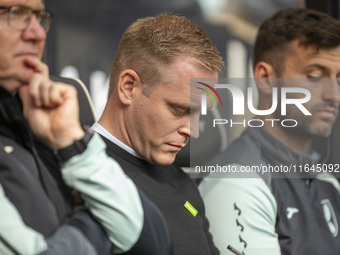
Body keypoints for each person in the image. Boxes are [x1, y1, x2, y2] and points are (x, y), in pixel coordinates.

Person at [0, 0, 172, 254]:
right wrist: (95, 222)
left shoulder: (45, 123)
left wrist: (71, 142)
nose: (36, 33)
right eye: (16, 13)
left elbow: (153, 243)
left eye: (38, 17)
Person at [198, 8, 340, 255]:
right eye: (315, 76)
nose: (333, 95)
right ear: (265, 78)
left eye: (338, 79)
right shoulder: (235, 183)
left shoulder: (328, 182)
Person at [92, 14, 224, 255]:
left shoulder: (181, 182)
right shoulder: (84, 176)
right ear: (129, 87)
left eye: (199, 115)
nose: (193, 132)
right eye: (179, 110)